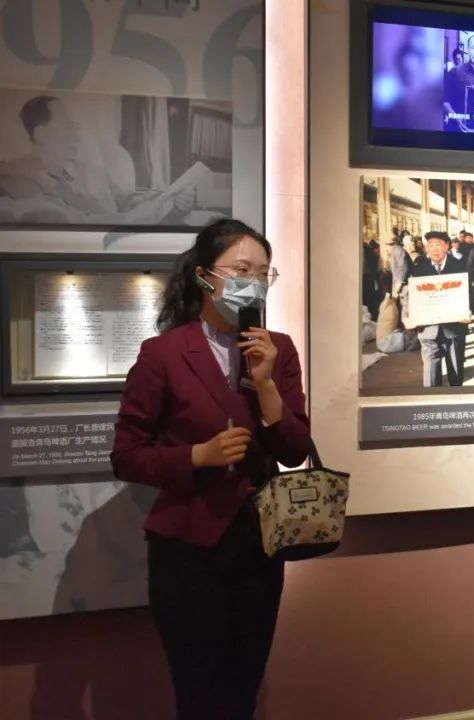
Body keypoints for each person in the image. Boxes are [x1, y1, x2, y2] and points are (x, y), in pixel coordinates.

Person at [110, 219, 310, 720]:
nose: (253, 283)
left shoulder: (279, 348)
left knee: (244, 687)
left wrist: (266, 385)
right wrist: (196, 456)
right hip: (188, 549)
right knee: (199, 693)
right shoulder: (164, 354)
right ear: (204, 276)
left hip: (259, 546)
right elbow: (126, 455)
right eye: (241, 271)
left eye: (263, 274)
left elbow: (294, 451)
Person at [0, 95, 195, 225]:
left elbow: (123, 202)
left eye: (74, 124)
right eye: (66, 124)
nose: (75, 131)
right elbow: (88, 223)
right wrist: (157, 209)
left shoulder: (89, 169)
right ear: (40, 134)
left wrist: (168, 201)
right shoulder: (20, 182)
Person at [411, 231, 474, 387]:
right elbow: (412, 296)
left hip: (455, 327)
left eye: (438, 245)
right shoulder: (419, 268)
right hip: (428, 329)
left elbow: (470, 293)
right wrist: (410, 316)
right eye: (430, 245)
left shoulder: (460, 266)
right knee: (430, 378)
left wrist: (468, 311)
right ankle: (432, 400)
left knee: (455, 375)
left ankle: (454, 400)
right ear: (426, 248)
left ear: (447, 246)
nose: (434, 249)